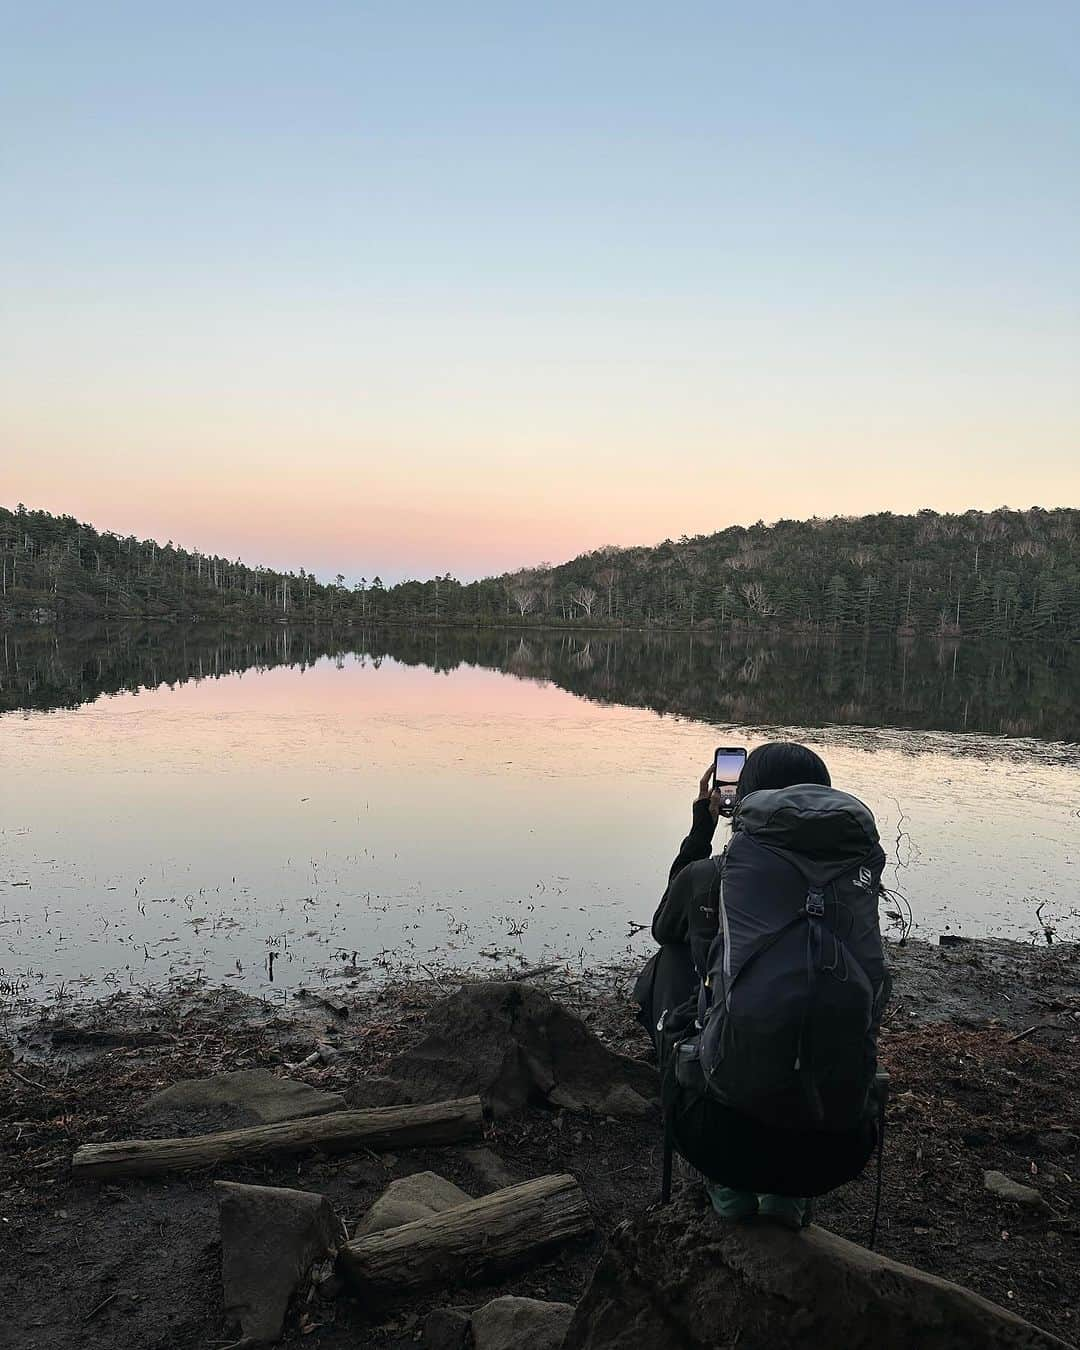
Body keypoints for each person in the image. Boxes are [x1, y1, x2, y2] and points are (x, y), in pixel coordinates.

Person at [634, 741, 888, 1228]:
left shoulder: (715, 875)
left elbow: (665, 924)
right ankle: (787, 1199)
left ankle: (730, 1188)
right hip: (839, 1149)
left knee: (670, 960)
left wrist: (704, 825)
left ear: (744, 799)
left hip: (724, 1142)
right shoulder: (853, 883)